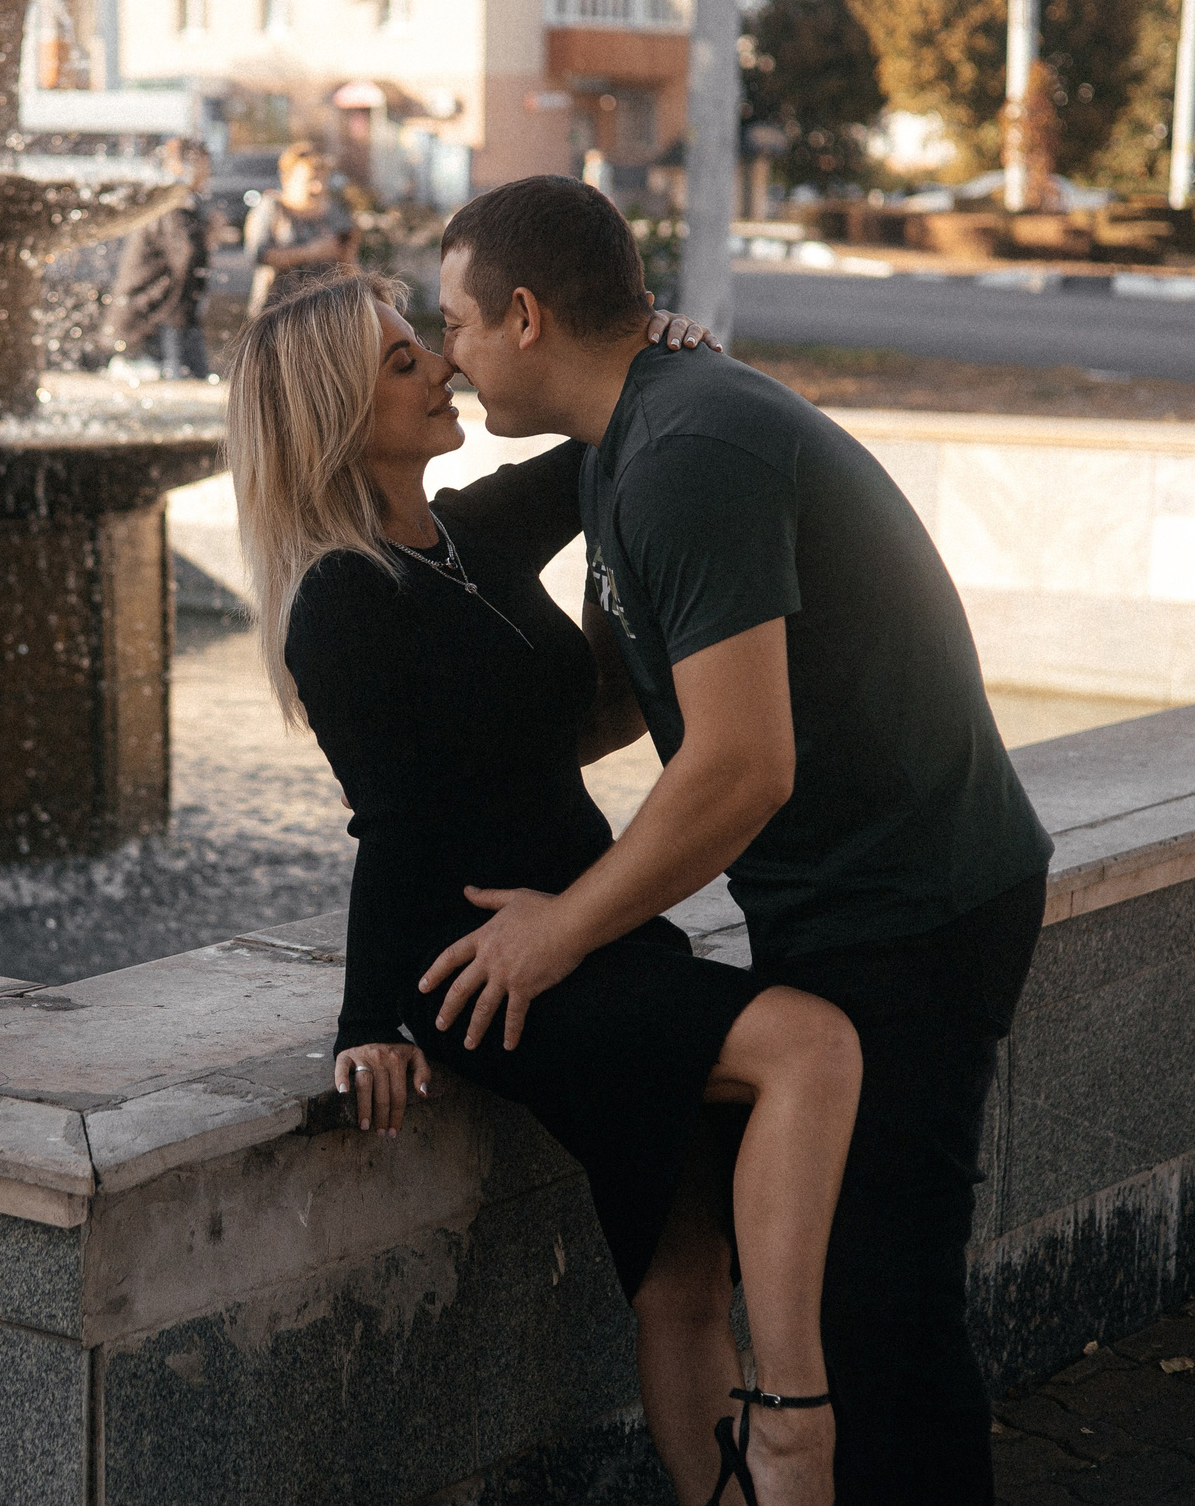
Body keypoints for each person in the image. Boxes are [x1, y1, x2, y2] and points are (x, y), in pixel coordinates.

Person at [425, 176, 1053, 1504]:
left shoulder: (682, 453)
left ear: (526, 316)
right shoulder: (635, 440)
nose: (452, 356)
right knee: (867, 1297)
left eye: (459, 324)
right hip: (868, 899)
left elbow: (738, 767)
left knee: (884, 1317)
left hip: (915, 907)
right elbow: (630, 696)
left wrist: (557, 928)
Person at [227, 269, 863, 1506]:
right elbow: (395, 829)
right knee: (810, 1047)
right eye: (405, 363)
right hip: (493, 969)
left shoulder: (463, 532)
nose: (443, 371)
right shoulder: (342, 601)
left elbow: (598, 439)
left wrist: (654, 349)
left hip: (586, 928)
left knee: (684, 1276)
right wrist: (367, 1020)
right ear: (333, 411)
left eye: (432, 348)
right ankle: (794, 1422)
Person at [104, 137, 223, 381]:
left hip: (160, 314)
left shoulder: (172, 202)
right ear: (182, 167)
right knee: (184, 385)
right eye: (203, 164)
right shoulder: (172, 204)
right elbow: (187, 257)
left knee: (191, 384)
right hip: (153, 318)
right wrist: (208, 238)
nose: (208, 172)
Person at [242, 142, 357, 316]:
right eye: (311, 179)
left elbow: (349, 266)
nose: (318, 187)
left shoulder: (333, 213)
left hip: (322, 315)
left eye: (323, 180)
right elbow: (258, 254)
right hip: (277, 315)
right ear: (286, 178)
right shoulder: (272, 208)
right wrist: (312, 251)